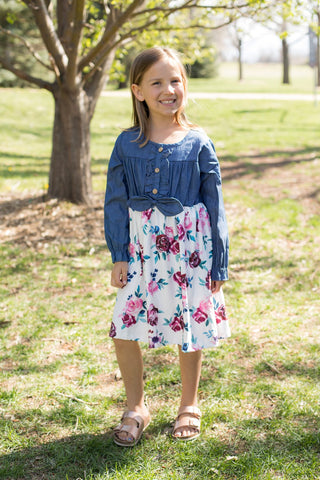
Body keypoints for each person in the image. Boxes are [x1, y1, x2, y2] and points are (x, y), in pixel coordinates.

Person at [104, 46, 230, 447]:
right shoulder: (126, 144)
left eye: (175, 80)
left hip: (190, 252)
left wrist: (219, 264)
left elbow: (215, 205)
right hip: (141, 252)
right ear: (138, 91)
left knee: (188, 326)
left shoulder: (197, 142)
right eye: (157, 82)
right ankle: (136, 405)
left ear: (184, 86)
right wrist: (119, 255)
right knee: (124, 327)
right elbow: (116, 203)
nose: (168, 89)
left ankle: (188, 403)